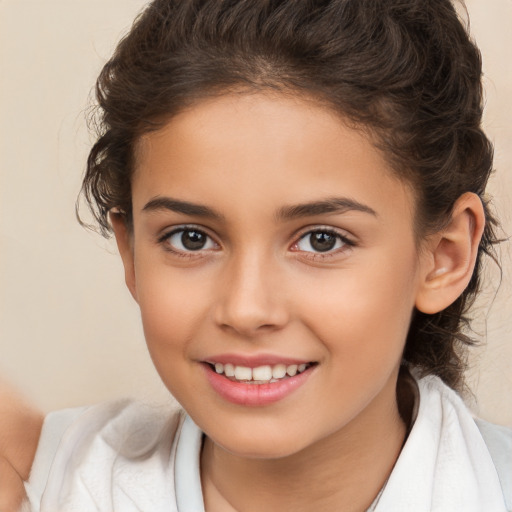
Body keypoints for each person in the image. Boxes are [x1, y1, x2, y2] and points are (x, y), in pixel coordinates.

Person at [3, 0, 512, 510]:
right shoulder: (44, 483)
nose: (246, 310)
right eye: (191, 238)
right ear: (131, 251)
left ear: (444, 256)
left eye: (321, 240)